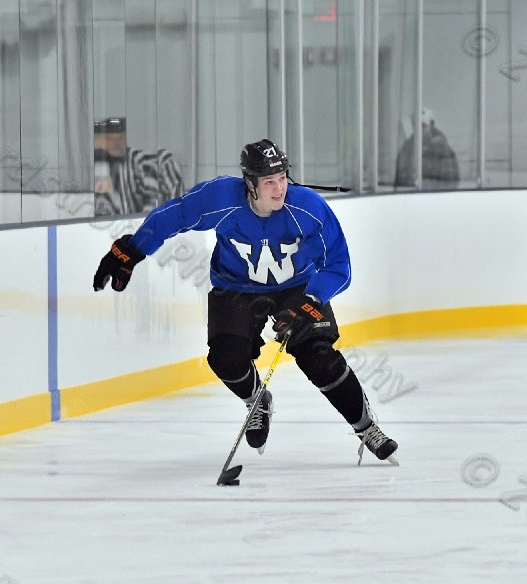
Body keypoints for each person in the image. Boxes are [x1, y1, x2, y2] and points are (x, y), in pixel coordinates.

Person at [92, 139, 399, 465]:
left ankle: (366, 428)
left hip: (297, 288)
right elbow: (177, 215)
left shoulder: (307, 207)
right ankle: (257, 400)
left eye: (283, 178)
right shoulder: (222, 198)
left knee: (319, 358)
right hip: (235, 287)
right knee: (225, 358)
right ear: (249, 184)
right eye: (269, 182)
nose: (279, 188)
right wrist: (136, 247)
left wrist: (310, 301)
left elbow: (339, 266)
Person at [93, 117, 186, 216]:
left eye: (119, 138)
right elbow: (105, 208)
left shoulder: (139, 161)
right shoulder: (106, 168)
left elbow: (152, 202)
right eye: (109, 139)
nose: (115, 143)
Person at [394, 108, 460, 190]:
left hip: (435, 197)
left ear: (431, 126)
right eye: (416, 125)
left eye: (423, 125)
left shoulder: (443, 148)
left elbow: (451, 180)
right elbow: (399, 175)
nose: (420, 129)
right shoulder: (407, 148)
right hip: (411, 196)